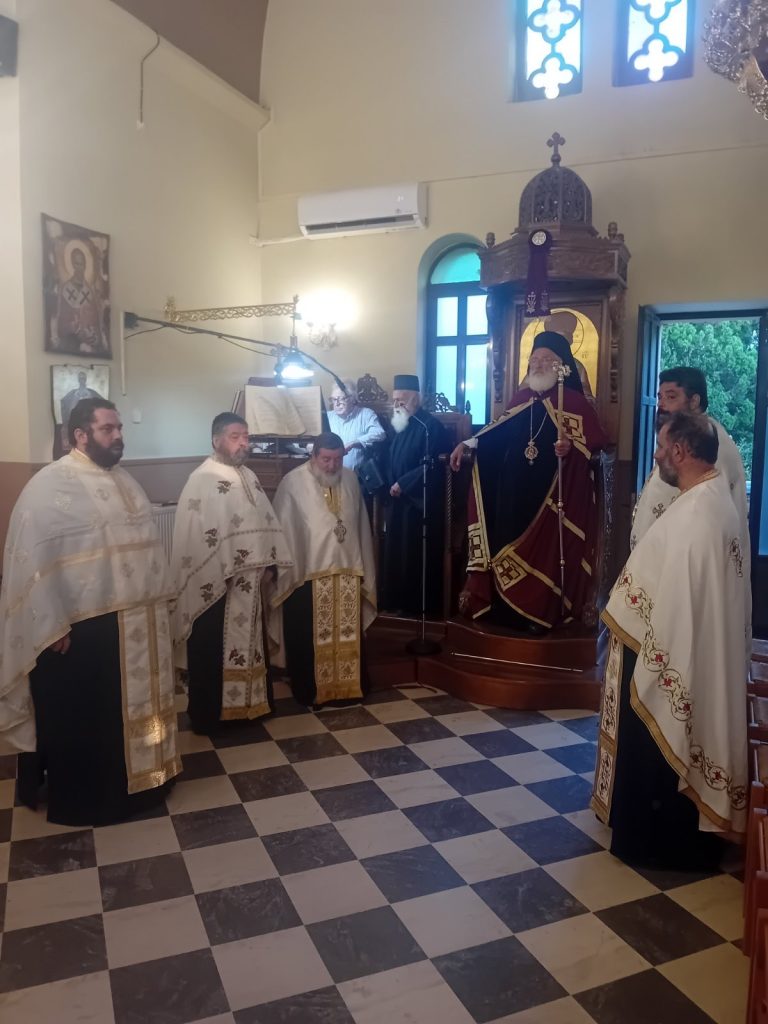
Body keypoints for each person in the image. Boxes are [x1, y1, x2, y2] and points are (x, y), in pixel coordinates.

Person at [0, 398, 181, 826]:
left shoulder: (125, 480)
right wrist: (50, 624)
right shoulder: (48, 485)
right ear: (79, 435)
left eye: (119, 428)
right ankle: (95, 798)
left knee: (129, 713)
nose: (118, 436)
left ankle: (147, 783)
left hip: (136, 622)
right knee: (94, 720)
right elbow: (33, 563)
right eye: (107, 429)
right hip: (83, 631)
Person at [592, 412, 748, 870]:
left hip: (668, 652)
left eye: (662, 447)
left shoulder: (697, 515)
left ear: (679, 451)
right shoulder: (713, 497)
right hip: (692, 648)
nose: (657, 455)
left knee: (658, 742)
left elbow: (678, 607)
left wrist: (654, 651)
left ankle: (659, 843)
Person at [450, 332, 607, 632]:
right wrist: (468, 444)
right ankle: (503, 606)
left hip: (551, 497)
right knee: (504, 541)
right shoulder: (521, 399)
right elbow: (495, 434)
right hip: (512, 492)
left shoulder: (575, 403)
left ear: (562, 366)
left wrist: (571, 449)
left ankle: (540, 611)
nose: (538, 364)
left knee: (545, 551)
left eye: (546, 359)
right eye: (534, 359)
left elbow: (596, 448)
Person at [170, 413, 292, 735]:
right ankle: (211, 715)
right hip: (217, 583)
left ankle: (251, 706)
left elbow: (265, 523)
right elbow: (195, 535)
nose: (243, 443)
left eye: (246, 437)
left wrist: (270, 565)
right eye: (235, 437)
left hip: (251, 582)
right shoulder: (202, 479)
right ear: (216, 440)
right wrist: (218, 569)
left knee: (251, 643)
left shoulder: (249, 475)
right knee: (213, 645)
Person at [631, 366, 752, 664]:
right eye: (660, 397)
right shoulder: (683, 438)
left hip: (685, 582)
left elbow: (696, 522)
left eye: (671, 396)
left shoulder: (707, 444)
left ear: (695, 401)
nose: (662, 404)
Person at [270, 433, 377, 707]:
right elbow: (284, 531)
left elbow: (360, 526)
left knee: (347, 633)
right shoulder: (292, 483)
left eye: (338, 459)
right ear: (314, 456)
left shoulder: (350, 479)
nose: (332, 466)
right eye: (326, 459)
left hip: (347, 572)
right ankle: (311, 691)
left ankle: (349, 688)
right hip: (307, 577)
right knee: (307, 636)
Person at [380, 374, 451, 616]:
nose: (397, 404)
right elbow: (388, 458)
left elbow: (433, 464)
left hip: (418, 505)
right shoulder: (399, 425)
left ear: (415, 399)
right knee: (394, 553)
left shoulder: (430, 427)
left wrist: (404, 483)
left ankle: (414, 607)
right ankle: (394, 602)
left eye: (401, 400)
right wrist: (387, 481)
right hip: (396, 501)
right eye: (394, 400)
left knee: (413, 555)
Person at [326, 379, 386, 471]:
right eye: (334, 399)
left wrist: (354, 443)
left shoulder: (366, 414)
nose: (337, 404)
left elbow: (380, 433)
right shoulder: (327, 417)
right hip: (329, 473)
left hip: (357, 475)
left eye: (342, 399)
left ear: (353, 399)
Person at [55, 246, 105, 353]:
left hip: (89, 345)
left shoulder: (89, 291)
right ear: (72, 265)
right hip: (71, 344)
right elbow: (62, 323)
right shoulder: (66, 289)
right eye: (77, 264)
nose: (80, 268)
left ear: (85, 265)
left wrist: (92, 334)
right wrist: (75, 329)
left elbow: (95, 322)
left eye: (82, 264)